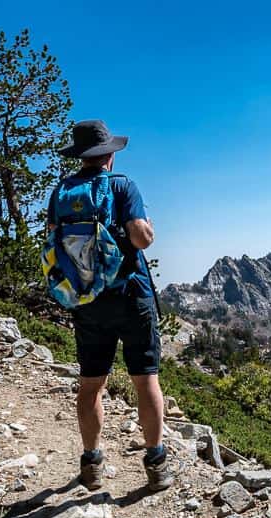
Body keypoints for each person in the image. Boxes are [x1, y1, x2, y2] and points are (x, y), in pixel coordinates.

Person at [50, 119, 174, 491]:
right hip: (130, 295)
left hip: (87, 299)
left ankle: (92, 463)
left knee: (91, 385)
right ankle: (155, 463)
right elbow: (141, 238)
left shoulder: (61, 191)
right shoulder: (122, 186)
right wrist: (147, 225)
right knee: (145, 380)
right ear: (109, 156)